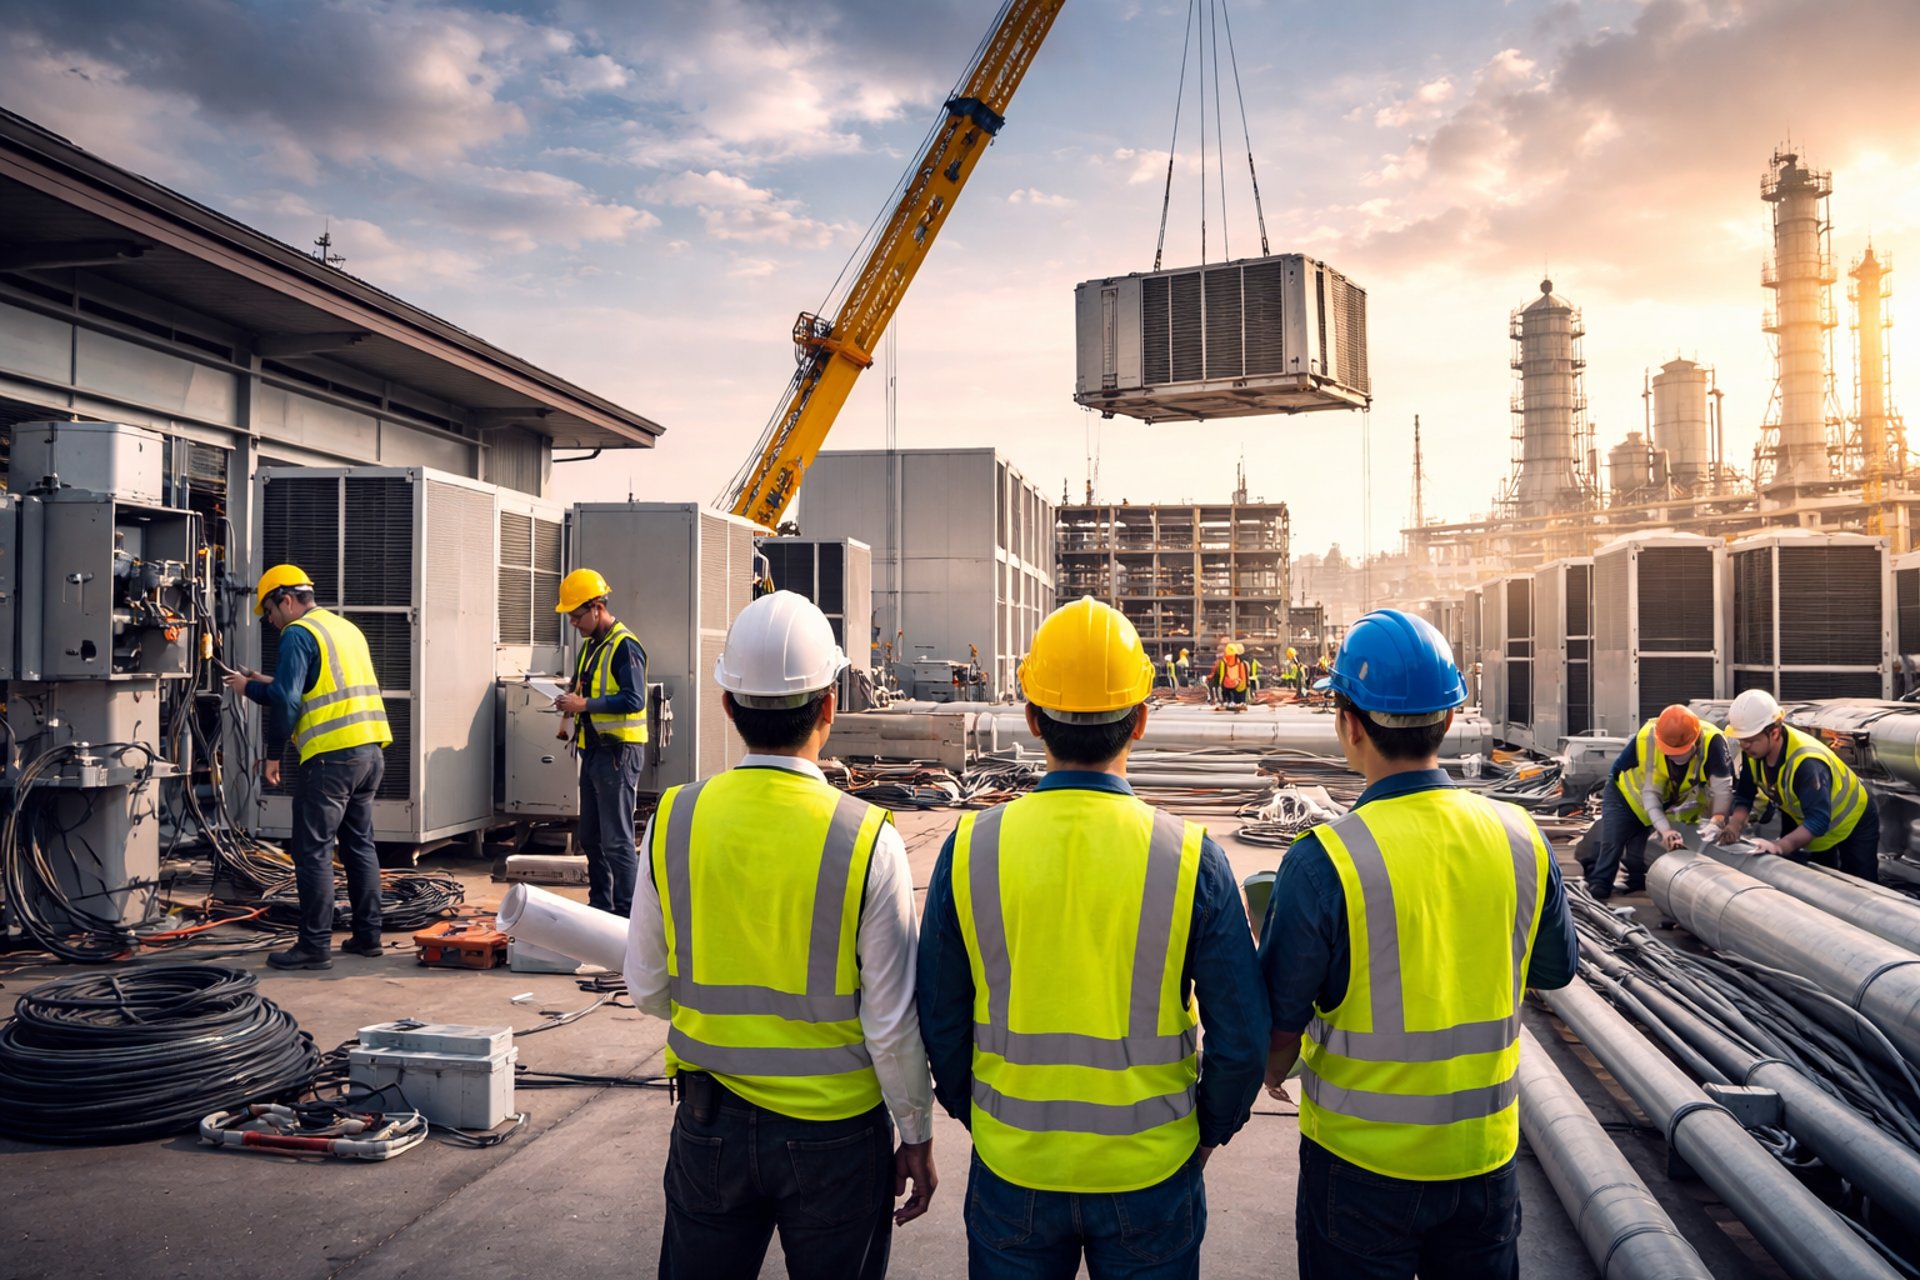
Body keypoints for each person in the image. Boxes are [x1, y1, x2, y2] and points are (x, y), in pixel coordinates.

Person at [917, 596, 1269, 1279]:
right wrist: (1205, 1132)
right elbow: (1243, 1036)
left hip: (1014, 1166)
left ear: (1030, 719)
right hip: (1150, 1170)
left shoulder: (970, 850)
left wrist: (982, 1120)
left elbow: (939, 1016)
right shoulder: (1191, 858)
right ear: (1140, 720)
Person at [1257, 608, 1577, 1280]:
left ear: (1348, 724)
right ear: (1452, 719)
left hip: (1360, 1168)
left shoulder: (1326, 861)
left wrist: (1266, 1070)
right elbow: (1555, 968)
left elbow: (1279, 1024)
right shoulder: (1521, 838)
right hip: (1484, 1161)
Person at [627, 591, 936, 1280]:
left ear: (728, 705)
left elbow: (645, 986)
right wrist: (914, 1133)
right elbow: (891, 1026)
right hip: (836, 1140)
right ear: (829, 706)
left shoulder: (675, 818)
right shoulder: (867, 840)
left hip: (710, 1124)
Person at [225, 564, 391, 970]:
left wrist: (270, 743)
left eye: (269, 611)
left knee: (312, 851)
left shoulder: (297, 633)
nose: (270, 621)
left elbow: (287, 700)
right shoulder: (342, 627)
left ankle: (314, 946)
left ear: (285, 599)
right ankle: (368, 938)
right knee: (359, 845)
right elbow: (315, 685)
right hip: (370, 752)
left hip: (331, 758)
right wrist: (269, 681)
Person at [553, 568, 648, 917]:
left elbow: (634, 699)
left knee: (617, 841)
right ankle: (600, 909)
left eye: (577, 616)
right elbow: (582, 688)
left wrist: (584, 705)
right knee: (591, 837)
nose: (574, 624)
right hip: (592, 751)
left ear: (596, 607)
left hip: (618, 753)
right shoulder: (590, 647)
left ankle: (627, 916)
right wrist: (569, 699)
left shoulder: (625, 646)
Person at [1718, 688, 1880, 882]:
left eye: (1750, 740)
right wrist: (1735, 825)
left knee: (1858, 885)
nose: (1744, 746)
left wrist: (1781, 845)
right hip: (1807, 817)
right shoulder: (1754, 750)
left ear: (1775, 732)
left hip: (1852, 820)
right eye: (1741, 740)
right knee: (1816, 883)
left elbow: (1818, 820)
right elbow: (1745, 793)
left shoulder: (1807, 763)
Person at [1582, 705, 1732, 899]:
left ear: (1695, 740)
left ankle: (1636, 880)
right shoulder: (1648, 740)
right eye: (1670, 752)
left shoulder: (1714, 742)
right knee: (1613, 841)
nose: (1674, 755)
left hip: (1666, 799)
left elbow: (1722, 789)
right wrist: (1666, 830)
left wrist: (1717, 820)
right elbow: (1650, 795)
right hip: (1624, 794)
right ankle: (1599, 884)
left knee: (1639, 851)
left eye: (1680, 751)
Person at [1215, 642, 1250, 709]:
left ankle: (1233, 702)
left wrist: (1221, 684)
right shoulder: (1242, 662)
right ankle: (1237, 703)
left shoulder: (1225, 662)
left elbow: (1222, 674)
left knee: (1233, 700)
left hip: (1231, 685)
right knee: (1237, 701)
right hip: (1237, 685)